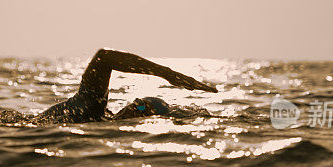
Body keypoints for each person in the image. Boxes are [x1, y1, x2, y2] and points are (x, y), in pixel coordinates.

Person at [37, 48, 217, 123]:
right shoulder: (93, 109)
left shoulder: (100, 122)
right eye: (137, 103)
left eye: (141, 109)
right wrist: (168, 74)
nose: (134, 108)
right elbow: (104, 57)